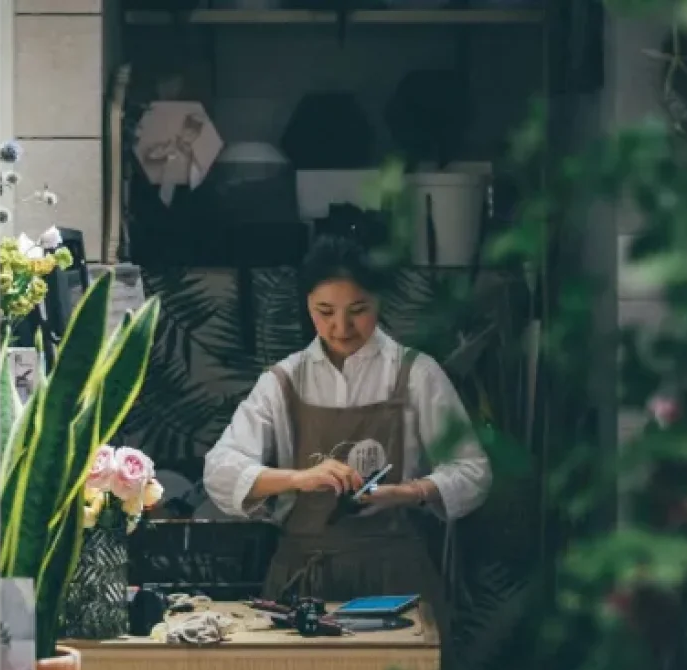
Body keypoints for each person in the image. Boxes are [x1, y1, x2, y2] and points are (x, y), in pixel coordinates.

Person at [203, 235, 492, 626]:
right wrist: (299, 479)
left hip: (396, 577)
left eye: (358, 310)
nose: (341, 327)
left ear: (379, 302)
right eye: (325, 311)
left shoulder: (416, 374)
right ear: (307, 304)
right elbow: (220, 469)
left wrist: (407, 492)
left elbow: (473, 471)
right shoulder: (284, 381)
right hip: (302, 578)